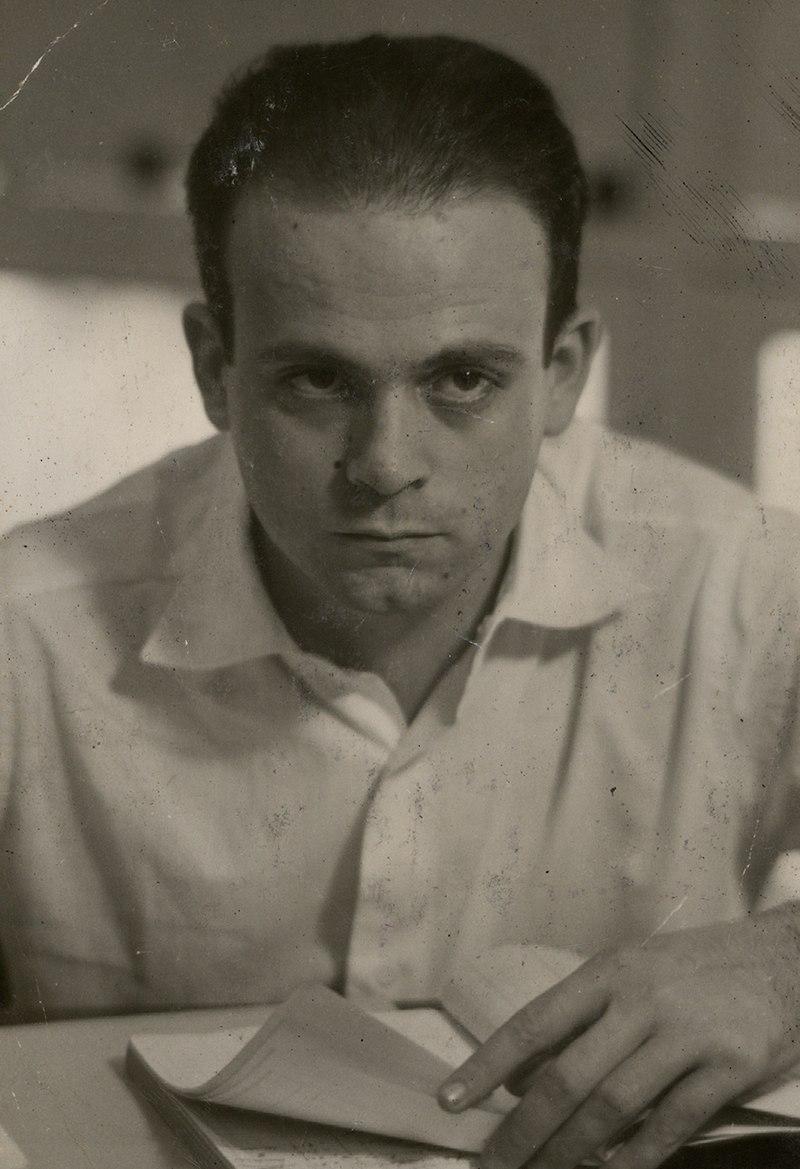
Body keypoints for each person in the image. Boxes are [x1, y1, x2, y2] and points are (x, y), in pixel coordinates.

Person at [2, 32, 800, 1169]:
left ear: (562, 369)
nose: (384, 464)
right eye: (317, 379)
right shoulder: (23, 626)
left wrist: (783, 965)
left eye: (461, 378)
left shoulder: (742, 580)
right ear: (214, 369)